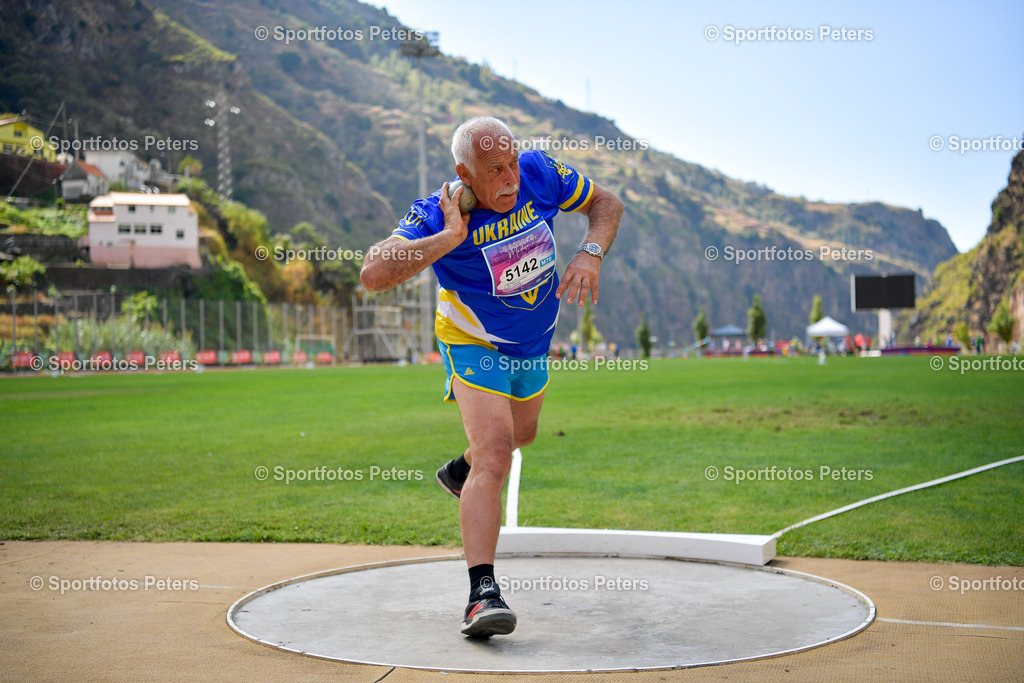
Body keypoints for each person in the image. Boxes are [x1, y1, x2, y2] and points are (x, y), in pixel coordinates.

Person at [360, 116, 623, 638]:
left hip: (532, 342)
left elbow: (606, 203)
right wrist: (448, 237)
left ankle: (461, 470)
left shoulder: (538, 172)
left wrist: (590, 251)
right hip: (473, 340)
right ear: (465, 174)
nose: (510, 180)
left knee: (523, 434)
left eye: (512, 165)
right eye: (495, 171)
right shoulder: (435, 211)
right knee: (497, 452)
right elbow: (374, 273)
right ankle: (482, 594)